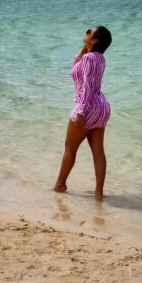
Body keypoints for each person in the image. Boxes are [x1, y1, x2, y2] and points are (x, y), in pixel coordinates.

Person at [53, 25, 112, 200]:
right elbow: (76, 65)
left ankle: (60, 185)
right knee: (98, 152)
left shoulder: (88, 59)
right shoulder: (100, 58)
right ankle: (99, 193)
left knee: (70, 149)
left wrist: (81, 111)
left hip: (86, 106)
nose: (85, 33)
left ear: (95, 40)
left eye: (89, 32)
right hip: (101, 107)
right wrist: (87, 47)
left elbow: (86, 87)